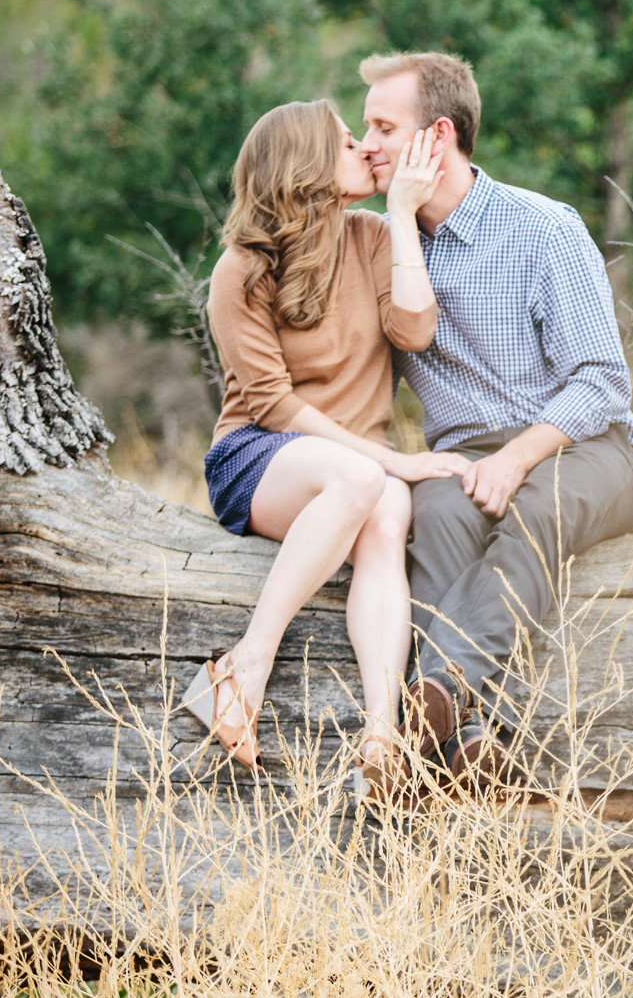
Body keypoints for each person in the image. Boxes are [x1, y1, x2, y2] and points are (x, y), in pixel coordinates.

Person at [356, 51, 633, 787]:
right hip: (462, 455)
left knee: (534, 506)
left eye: (381, 125)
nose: (365, 142)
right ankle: (475, 741)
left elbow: (602, 381)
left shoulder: (540, 229)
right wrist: (399, 219)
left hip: (588, 445)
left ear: (437, 136)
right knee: (433, 515)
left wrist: (519, 456)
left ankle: (434, 693)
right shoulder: (383, 248)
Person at [182, 99, 468, 797]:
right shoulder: (242, 269)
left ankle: (379, 734)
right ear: (307, 165)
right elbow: (273, 403)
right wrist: (391, 458)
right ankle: (244, 664)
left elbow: (416, 329)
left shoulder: (371, 237)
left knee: (385, 508)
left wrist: (402, 218)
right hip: (260, 453)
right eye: (348, 143)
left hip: (353, 467)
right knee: (367, 481)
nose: (368, 150)